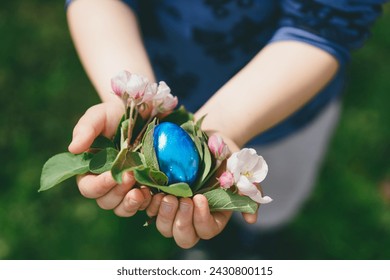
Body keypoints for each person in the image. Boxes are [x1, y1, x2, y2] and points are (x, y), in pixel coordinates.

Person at [65, 0, 386, 250]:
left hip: (283, 104)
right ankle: (221, 244)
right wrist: (137, 98)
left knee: (273, 192)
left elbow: (323, 24)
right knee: (213, 204)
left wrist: (224, 125)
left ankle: (259, 239)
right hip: (160, 77)